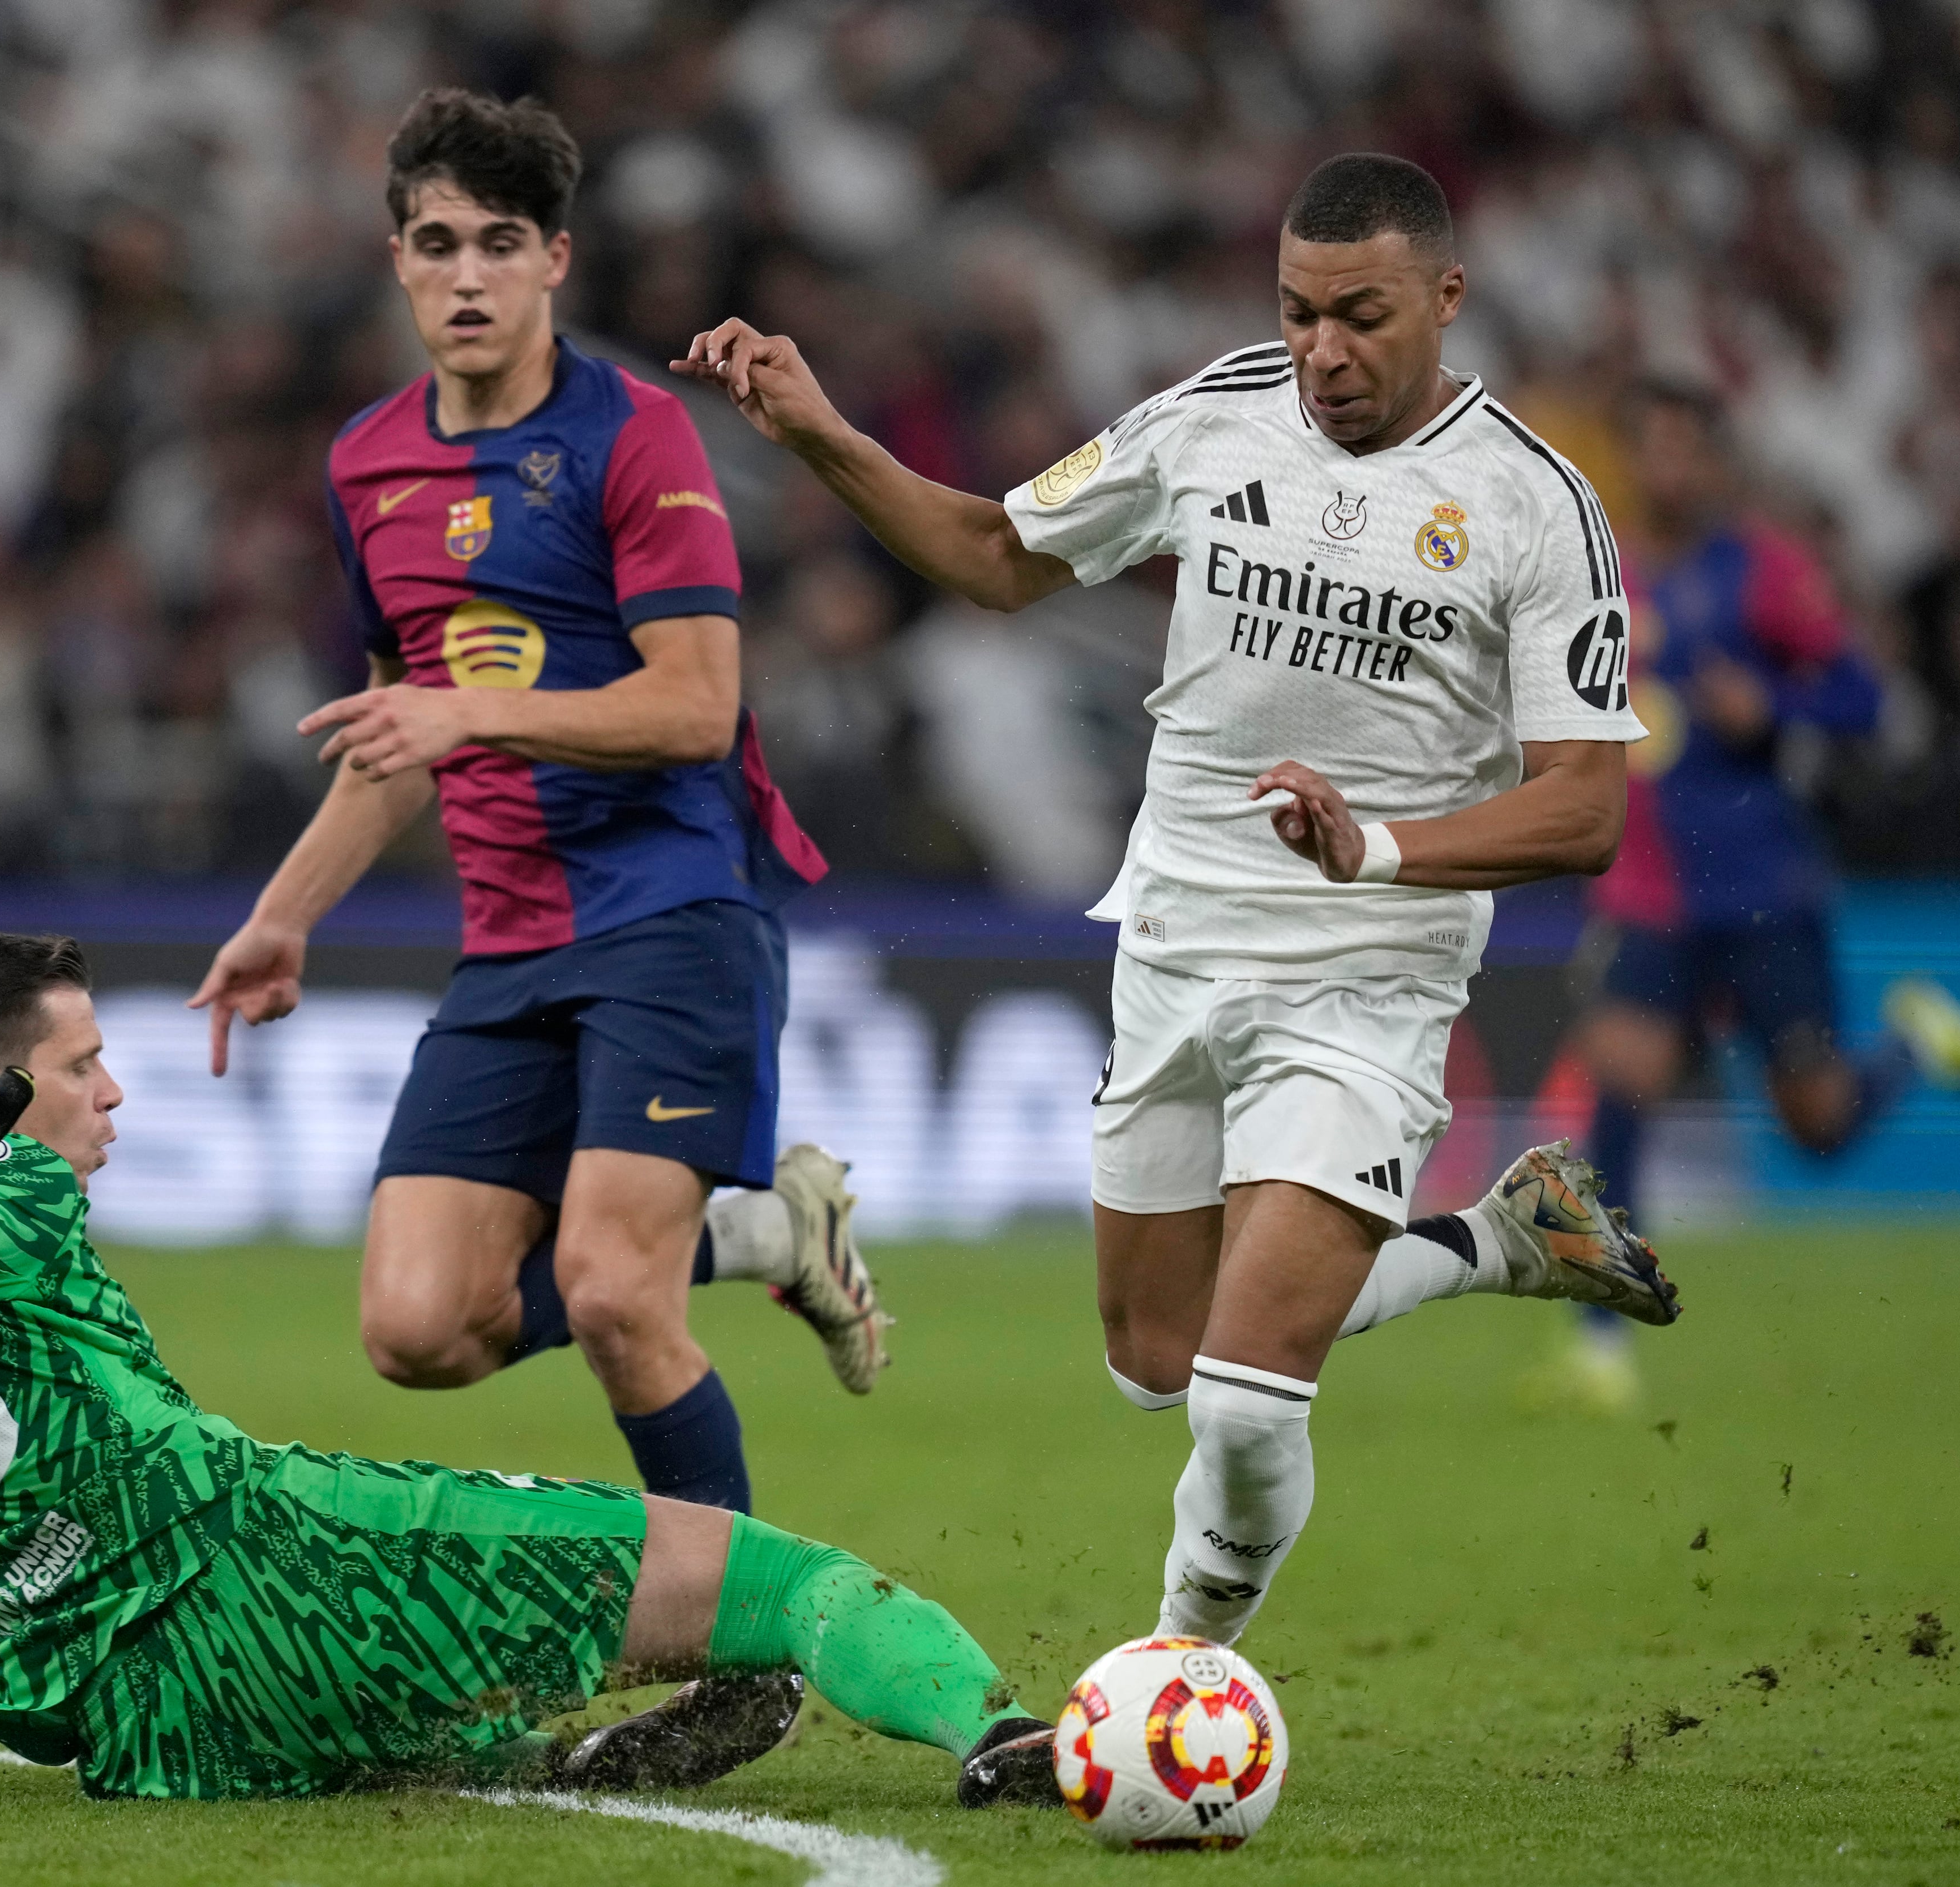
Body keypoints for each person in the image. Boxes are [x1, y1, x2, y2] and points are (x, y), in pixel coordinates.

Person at [674, 152, 1680, 1685]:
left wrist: (1383, 848)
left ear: (1447, 300)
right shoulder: (1214, 414)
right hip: (1177, 941)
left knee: (1244, 1397)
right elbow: (997, 556)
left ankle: (1172, 1675)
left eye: (1362, 314)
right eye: (1299, 311)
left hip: (1371, 969)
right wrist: (820, 434)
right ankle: (1500, 1237)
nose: (1325, 348)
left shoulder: (1536, 508)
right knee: (1155, 1360)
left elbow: (1588, 805)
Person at [0, 930, 1055, 1803]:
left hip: (133, 1719)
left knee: (442, 1749)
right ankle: (1008, 1740)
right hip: (265, 1563)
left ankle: (537, 1758)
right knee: (781, 1575)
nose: (114, 1091)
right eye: (81, 1065)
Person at [189, 92, 883, 1544]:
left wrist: (471, 712)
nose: (466, 276)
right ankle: (765, 1230)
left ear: (555, 261)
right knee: (417, 1326)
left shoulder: (640, 437)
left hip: (672, 911)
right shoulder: (366, 463)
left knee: (621, 1298)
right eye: (436, 243)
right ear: (396, 261)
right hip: (512, 945)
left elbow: (695, 706)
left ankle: (733, 1656)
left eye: (499, 244)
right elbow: (395, 736)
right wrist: (282, 914)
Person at [1551, 382, 1960, 1412]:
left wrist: (1775, 704)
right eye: (1651, 447)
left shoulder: (1762, 571)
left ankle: (1914, 1042)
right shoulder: (1603, 571)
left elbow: (1862, 697)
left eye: (1685, 449)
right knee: (1618, 1085)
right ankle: (1598, 1347)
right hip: (1650, 892)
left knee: (1820, 1129)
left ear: (1712, 464)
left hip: (1761, 886)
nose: (1668, 467)